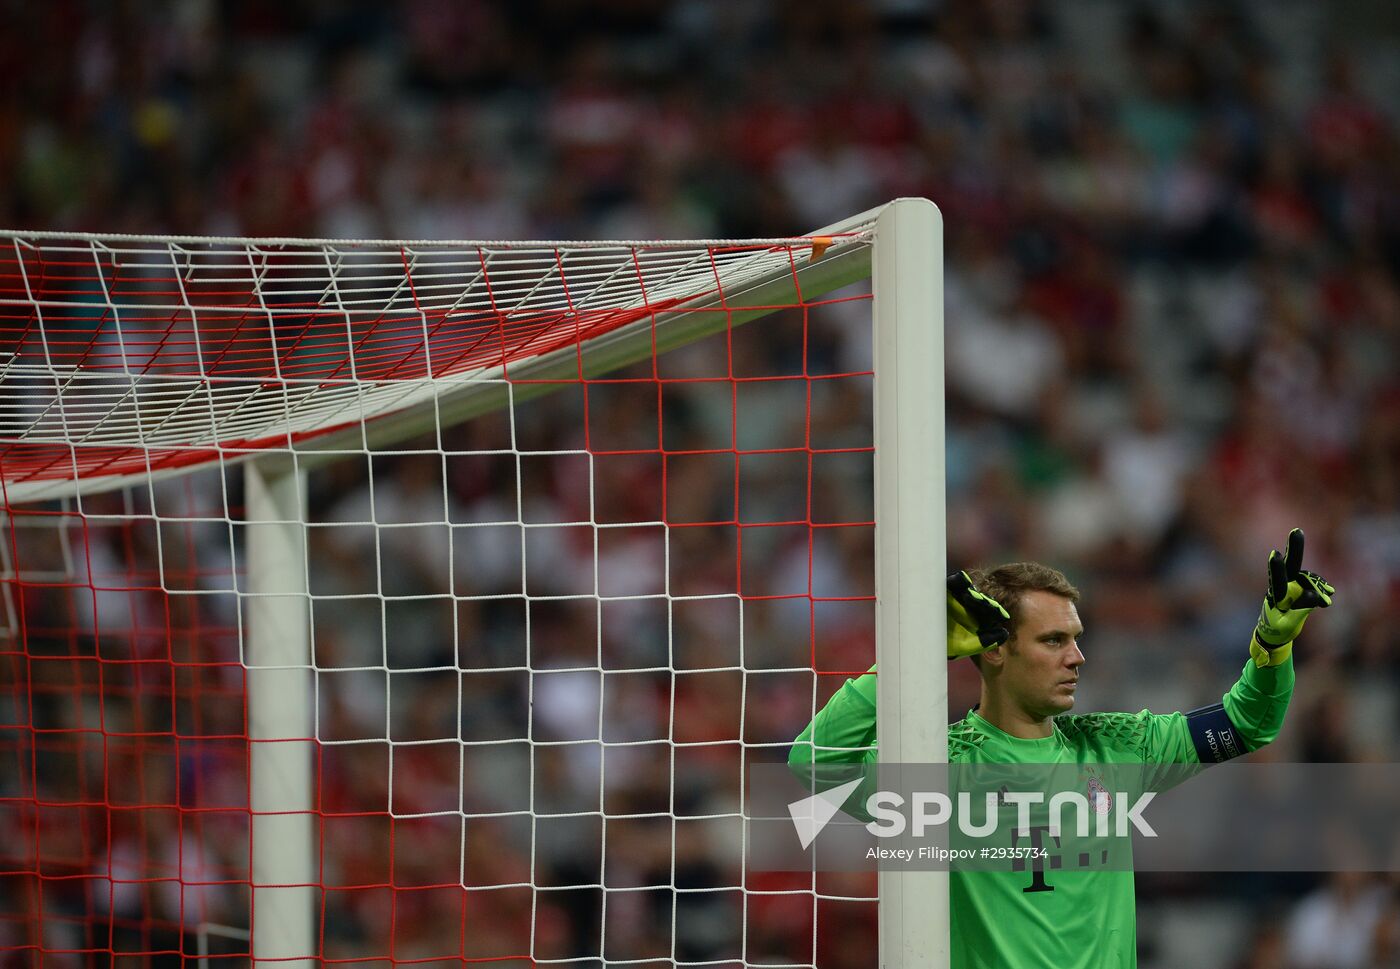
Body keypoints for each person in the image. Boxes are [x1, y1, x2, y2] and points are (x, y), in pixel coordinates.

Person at [789, 529, 1335, 969]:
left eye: (1076, 639)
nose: (1077, 657)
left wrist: (1273, 641)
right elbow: (815, 762)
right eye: (1054, 641)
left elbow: (1248, 724)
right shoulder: (946, 768)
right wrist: (914, 656)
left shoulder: (1117, 747)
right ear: (996, 652)